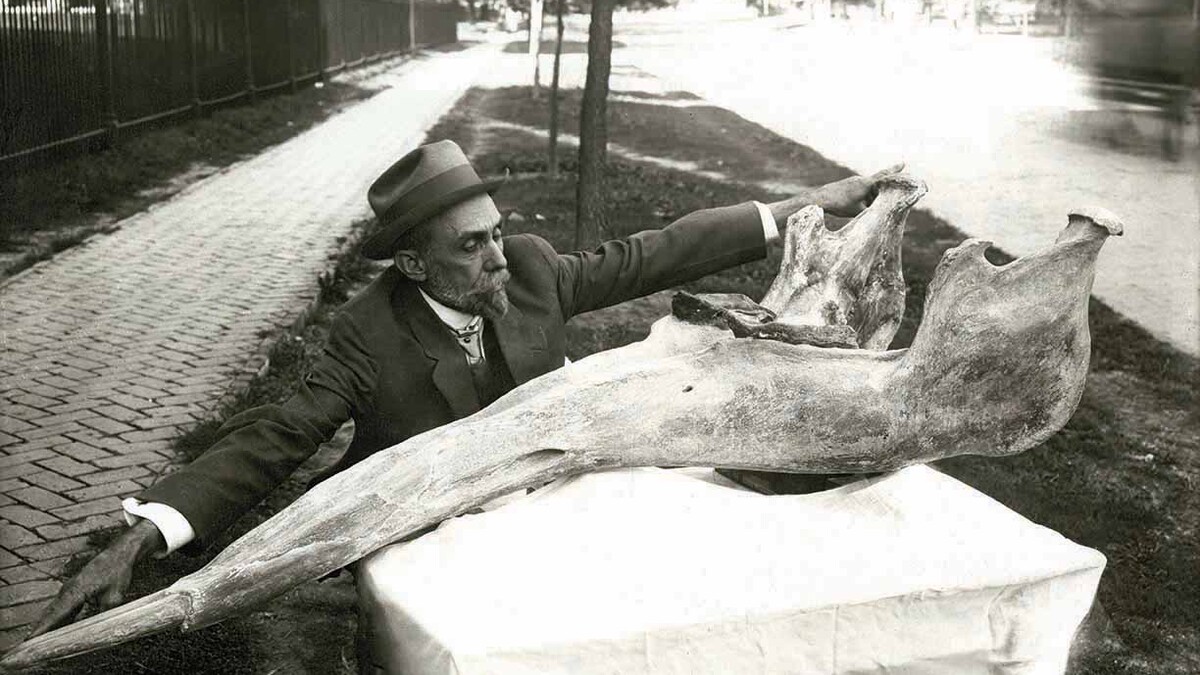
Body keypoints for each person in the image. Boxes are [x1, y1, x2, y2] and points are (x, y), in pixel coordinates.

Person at [29, 139, 901, 640]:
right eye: (469, 247)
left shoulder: (525, 269)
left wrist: (813, 203)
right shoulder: (367, 334)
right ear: (414, 265)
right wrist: (144, 534)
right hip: (431, 537)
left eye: (496, 232)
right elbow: (275, 435)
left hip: (555, 508)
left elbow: (658, 251)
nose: (496, 256)